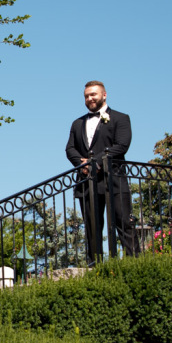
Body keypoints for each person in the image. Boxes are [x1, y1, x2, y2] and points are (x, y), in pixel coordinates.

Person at [65, 80, 139, 265]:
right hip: (87, 181)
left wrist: (94, 161)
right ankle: (94, 264)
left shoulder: (121, 118)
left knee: (124, 223)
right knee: (92, 227)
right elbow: (70, 149)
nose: (90, 98)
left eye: (93, 94)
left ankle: (135, 262)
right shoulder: (77, 123)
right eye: (86, 96)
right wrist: (81, 164)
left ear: (104, 95)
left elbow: (121, 146)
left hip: (113, 180)